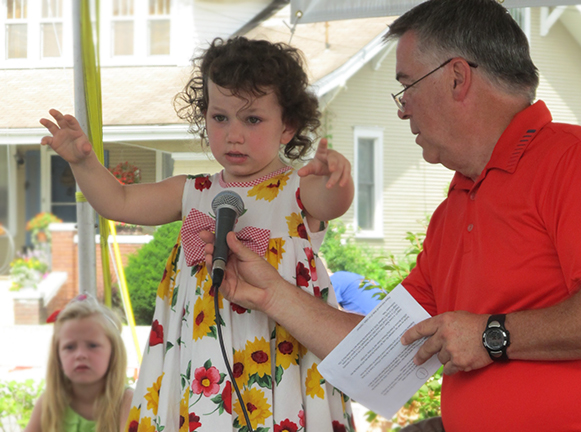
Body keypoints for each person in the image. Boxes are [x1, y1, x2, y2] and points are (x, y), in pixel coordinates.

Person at [205, 1, 581, 431]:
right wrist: (269, 293)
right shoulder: (455, 208)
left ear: (457, 77)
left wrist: (494, 335)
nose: (402, 108)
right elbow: (384, 353)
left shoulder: (580, 163)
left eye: (407, 85)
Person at [40, 37, 355, 431]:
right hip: (201, 354)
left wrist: (335, 177)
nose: (233, 134)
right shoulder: (190, 191)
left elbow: (330, 204)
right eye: (220, 118)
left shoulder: (296, 187)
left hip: (278, 349)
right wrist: (84, 162)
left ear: (287, 126)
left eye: (252, 119)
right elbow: (119, 202)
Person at [25, 294, 133, 432]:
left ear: (114, 352)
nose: (80, 355)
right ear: (57, 356)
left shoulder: (127, 402)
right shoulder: (49, 402)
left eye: (92, 345)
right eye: (69, 347)